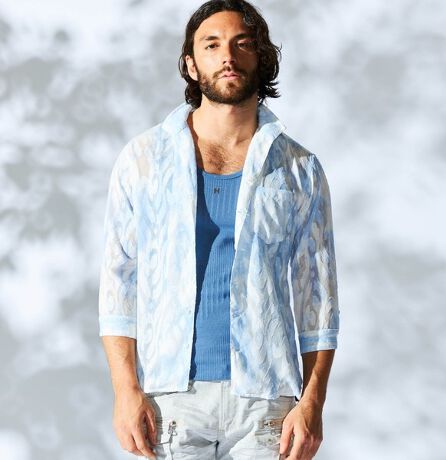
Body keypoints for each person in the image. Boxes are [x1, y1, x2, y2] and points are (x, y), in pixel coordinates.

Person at [98, 0, 340, 459]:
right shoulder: (142, 160)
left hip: (266, 402)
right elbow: (118, 283)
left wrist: (313, 402)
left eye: (241, 43)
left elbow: (318, 298)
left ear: (261, 58)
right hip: (170, 399)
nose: (227, 56)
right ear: (191, 64)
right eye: (211, 45)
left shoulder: (299, 168)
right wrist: (125, 390)